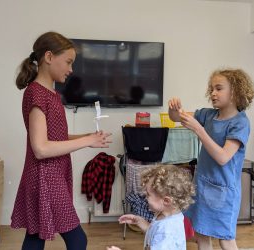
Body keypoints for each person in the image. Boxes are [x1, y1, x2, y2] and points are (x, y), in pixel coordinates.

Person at [11, 31, 112, 250]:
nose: (71, 69)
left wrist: (88, 138)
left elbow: (53, 137)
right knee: (77, 240)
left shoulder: (51, 94)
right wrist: (86, 142)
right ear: (49, 57)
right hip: (46, 176)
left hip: (49, 173)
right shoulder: (37, 94)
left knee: (35, 236)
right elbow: (41, 148)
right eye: (68, 62)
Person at [168, 69, 254, 250]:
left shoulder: (240, 123)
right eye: (212, 89)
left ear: (235, 92)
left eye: (218, 89)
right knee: (201, 234)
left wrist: (199, 130)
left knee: (225, 238)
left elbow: (223, 157)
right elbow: (177, 117)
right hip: (202, 185)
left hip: (223, 192)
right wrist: (173, 111)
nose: (213, 93)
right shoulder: (207, 115)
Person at [107, 164, 195, 250]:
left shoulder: (167, 232)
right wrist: (139, 221)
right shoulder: (166, 215)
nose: (145, 198)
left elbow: (160, 233)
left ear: (166, 201)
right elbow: (154, 232)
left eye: (148, 195)